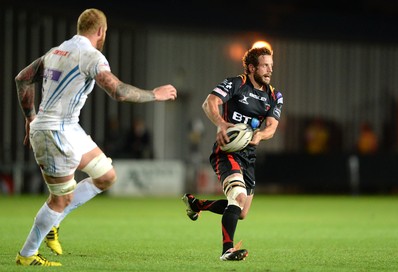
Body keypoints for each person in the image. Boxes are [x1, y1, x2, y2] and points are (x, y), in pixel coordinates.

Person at [15, 8, 177, 266]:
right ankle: (26, 255)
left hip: (69, 128)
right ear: (101, 31)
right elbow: (119, 92)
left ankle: (54, 222)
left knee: (105, 176)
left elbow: (22, 78)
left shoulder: (56, 51)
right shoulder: (91, 56)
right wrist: (154, 94)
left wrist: (29, 117)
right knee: (61, 199)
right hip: (54, 132)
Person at [182, 46, 283, 261]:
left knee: (241, 211)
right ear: (251, 67)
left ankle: (197, 204)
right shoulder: (236, 84)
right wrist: (221, 124)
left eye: (271, 66)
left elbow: (272, 127)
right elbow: (209, 102)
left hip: (249, 156)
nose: (269, 70)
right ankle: (227, 250)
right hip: (227, 152)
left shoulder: (274, 95)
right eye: (265, 65)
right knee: (237, 197)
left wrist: (260, 136)